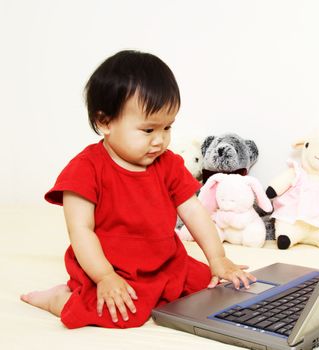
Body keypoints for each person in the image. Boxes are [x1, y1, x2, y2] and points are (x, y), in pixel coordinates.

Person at [20, 50, 256, 329]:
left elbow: (193, 210)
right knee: (123, 312)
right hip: (113, 267)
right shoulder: (86, 169)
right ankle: (59, 299)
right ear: (104, 122)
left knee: (212, 289)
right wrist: (105, 276)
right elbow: (80, 230)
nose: (160, 140)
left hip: (166, 262)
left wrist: (218, 258)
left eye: (167, 127)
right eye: (148, 130)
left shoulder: (167, 164)